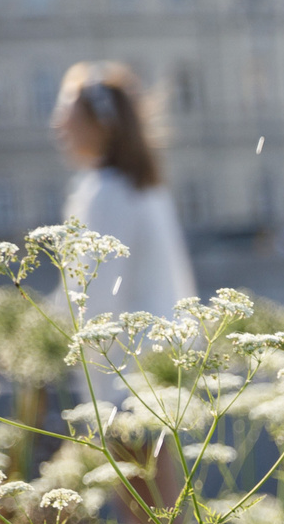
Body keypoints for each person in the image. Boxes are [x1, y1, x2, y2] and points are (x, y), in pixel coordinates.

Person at [51, 62, 196, 327]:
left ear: (99, 126)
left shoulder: (109, 194)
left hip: (130, 360)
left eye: (68, 113)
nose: (58, 125)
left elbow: (94, 295)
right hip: (163, 354)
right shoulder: (140, 186)